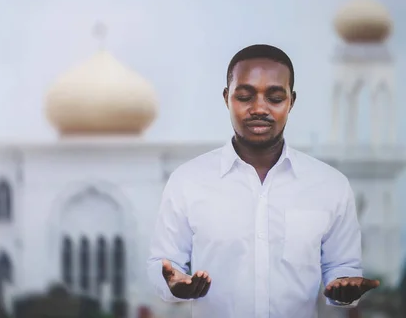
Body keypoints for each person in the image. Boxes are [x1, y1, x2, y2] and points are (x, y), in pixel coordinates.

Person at [146, 44, 380, 318]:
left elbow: (343, 269)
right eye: (245, 96)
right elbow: (163, 264)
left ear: (291, 100)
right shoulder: (187, 181)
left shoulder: (330, 186)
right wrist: (174, 284)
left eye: (275, 97)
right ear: (226, 98)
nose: (259, 108)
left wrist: (343, 287)